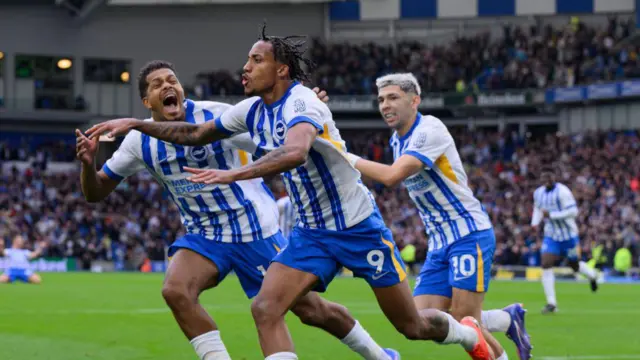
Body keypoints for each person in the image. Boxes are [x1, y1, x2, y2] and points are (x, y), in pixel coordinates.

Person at [86, 25, 495, 360]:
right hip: (310, 233)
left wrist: (234, 174)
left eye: (255, 60)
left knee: (414, 327)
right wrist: (135, 125)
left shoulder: (304, 104)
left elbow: (296, 152)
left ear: (281, 69)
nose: (244, 68)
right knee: (265, 308)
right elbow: (194, 134)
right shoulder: (249, 110)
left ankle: (464, 336)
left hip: (357, 227)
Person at [79, 60, 397, 360]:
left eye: (172, 80)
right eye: (157, 84)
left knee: (312, 310)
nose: (167, 86)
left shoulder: (217, 117)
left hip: (254, 230)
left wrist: (302, 112)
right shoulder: (137, 142)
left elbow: (279, 143)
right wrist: (87, 164)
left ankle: (379, 355)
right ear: (147, 102)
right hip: (205, 236)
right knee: (175, 290)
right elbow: (96, 192)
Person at [344, 73, 532, 360]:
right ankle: (507, 320)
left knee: (468, 323)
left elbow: (392, 176)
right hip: (439, 244)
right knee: (419, 321)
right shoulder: (397, 140)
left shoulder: (429, 130)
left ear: (414, 100)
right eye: (381, 100)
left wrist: (344, 156)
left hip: (469, 235)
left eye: (393, 97)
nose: (385, 105)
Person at [531, 168, 599, 314]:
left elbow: (573, 212)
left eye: (550, 179)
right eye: (544, 180)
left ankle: (592, 276)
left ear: (554, 179)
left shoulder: (563, 192)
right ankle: (551, 303)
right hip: (551, 235)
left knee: (574, 265)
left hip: (569, 235)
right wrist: (535, 223)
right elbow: (537, 209)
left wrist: (552, 215)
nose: (547, 182)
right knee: (546, 263)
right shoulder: (538, 193)